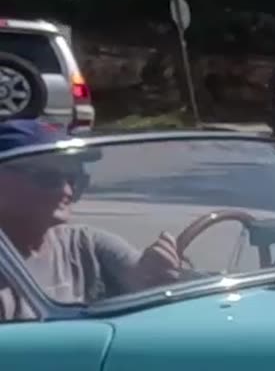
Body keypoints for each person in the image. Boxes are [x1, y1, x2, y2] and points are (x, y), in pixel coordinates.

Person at [0, 119, 183, 320]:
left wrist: (156, 272)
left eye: (74, 178)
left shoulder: (82, 243)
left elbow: (138, 276)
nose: (66, 191)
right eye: (47, 177)